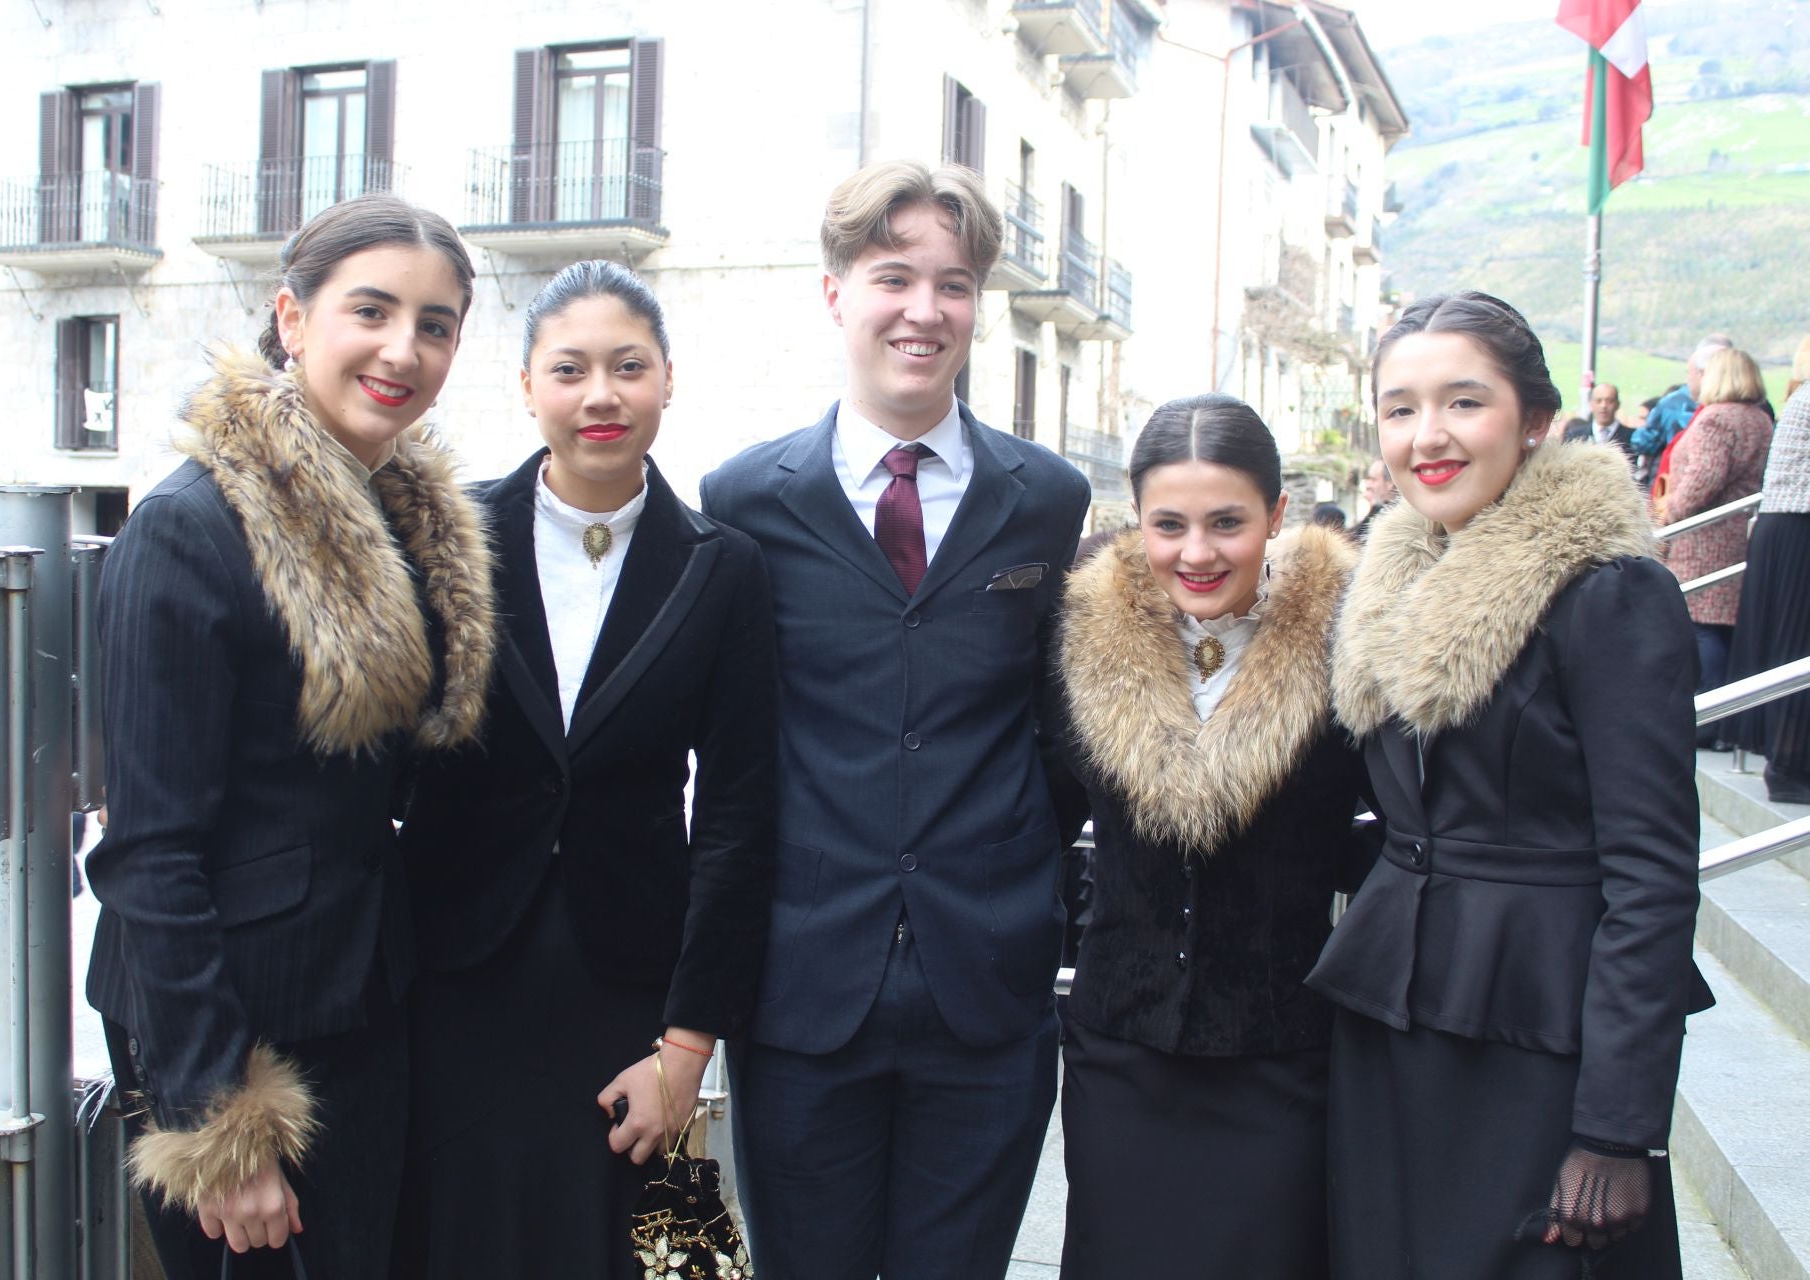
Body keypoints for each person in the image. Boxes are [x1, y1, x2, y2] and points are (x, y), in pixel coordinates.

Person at [84, 193, 497, 1280]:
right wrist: (219, 1112)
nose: (403, 349)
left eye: (436, 324)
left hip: (360, 1002)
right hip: (233, 1032)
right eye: (372, 310)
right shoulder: (189, 529)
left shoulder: (396, 518)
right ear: (292, 317)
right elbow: (148, 853)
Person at [700, 160, 1091, 1279]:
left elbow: (1061, 728)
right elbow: (732, 748)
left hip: (989, 990)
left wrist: (1017, 868)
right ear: (837, 294)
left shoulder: (1048, 499)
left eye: (953, 284)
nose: (925, 310)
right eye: (893, 278)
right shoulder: (743, 500)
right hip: (802, 992)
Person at [1308, 291, 1711, 1279]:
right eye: (1400, 408)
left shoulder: (1609, 593)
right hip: (1392, 1031)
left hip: (1542, 1042)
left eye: (1463, 401)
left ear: (1535, 419)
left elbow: (1652, 877)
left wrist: (1618, 1129)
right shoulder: (1388, 583)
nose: (1427, 435)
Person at [393, 261, 778, 1276]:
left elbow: (738, 816)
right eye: (569, 369)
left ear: (666, 380)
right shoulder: (445, 537)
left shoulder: (723, 566)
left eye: (627, 366)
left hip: (629, 987)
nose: (600, 395)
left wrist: (687, 1048)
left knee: (620, 1252)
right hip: (454, 975)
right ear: (528, 385)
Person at [1048, 395, 1364, 1277]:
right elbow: (1040, 814)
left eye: (1227, 522)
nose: (1197, 553)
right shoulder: (1076, 636)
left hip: (1284, 1049)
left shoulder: (1349, 639)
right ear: (1134, 519)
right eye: (1169, 525)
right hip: (1120, 1047)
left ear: (1277, 514)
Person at [1657, 346, 1773, 746]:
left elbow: (1701, 481)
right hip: (1737, 535)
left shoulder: (1717, 419)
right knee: (1719, 630)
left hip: (1704, 541)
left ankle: (1708, 721)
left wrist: (1666, 513)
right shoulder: (1759, 419)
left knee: (1701, 627)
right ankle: (1725, 723)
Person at [1728, 334, 1810, 802]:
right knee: (1796, 648)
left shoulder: (1801, 395)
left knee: (1787, 645)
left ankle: (1788, 760)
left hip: (1784, 526)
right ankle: (1790, 763)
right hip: (1799, 526)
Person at [1633, 334, 1730, 486]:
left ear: (1702, 373)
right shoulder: (1755, 407)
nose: (1687, 379)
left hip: (1679, 487)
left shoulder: (1673, 404)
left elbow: (1643, 442)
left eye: (1689, 372)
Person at [1564, 383, 1629, 450]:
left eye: (1609, 401)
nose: (1603, 406)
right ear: (1591, 403)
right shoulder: (1575, 436)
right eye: (1598, 401)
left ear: (1617, 404)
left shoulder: (1632, 437)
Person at [1351, 457, 1395, 540]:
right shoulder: (1380, 511)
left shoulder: (1394, 519)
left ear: (1390, 483)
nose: (1368, 485)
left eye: (1373, 480)